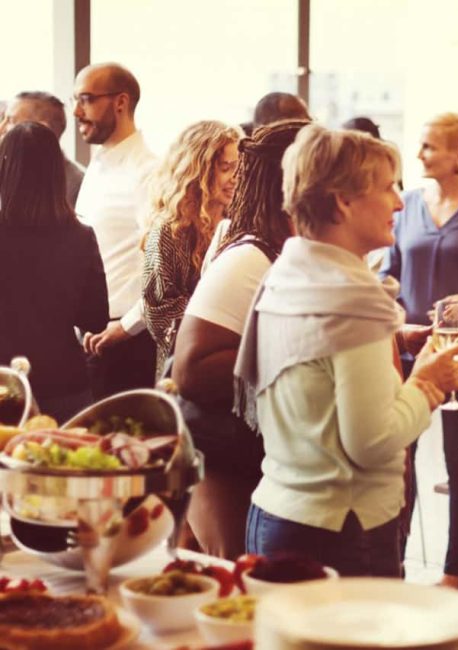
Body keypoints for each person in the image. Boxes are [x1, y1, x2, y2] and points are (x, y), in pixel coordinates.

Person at [236, 124, 458, 576]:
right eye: (387, 187)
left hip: (276, 512)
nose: (400, 203)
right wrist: (428, 383)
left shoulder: (287, 273)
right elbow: (372, 443)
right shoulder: (352, 298)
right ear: (343, 202)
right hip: (340, 529)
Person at [380, 112, 458, 589]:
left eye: (429, 146)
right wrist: (395, 321)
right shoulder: (406, 205)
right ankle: (391, 564)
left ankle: (456, 573)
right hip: (405, 352)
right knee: (397, 460)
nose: (418, 155)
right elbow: (388, 274)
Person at [172, 119, 309, 559]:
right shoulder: (248, 257)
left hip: (255, 450)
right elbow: (190, 369)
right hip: (224, 452)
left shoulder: (286, 249)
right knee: (238, 572)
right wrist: (300, 354)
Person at [0, 122, 108, 422]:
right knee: (66, 453)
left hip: (4, 384)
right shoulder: (81, 236)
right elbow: (95, 318)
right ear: (57, 172)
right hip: (64, 383)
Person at [73, 62, 157, 398]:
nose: (76, 112)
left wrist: (126, 327)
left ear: (120, 102)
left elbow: (163, 268)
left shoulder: (148, 173)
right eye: (75, 101)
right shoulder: (98, 165)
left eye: (86, 99)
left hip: (126, 344)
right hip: (90, 338)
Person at [141, 120, 241, 377]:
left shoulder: (240, 223)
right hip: (185, 367)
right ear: (198, 172)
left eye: (239, 168)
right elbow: (159, 313)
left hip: (232, 363)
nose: (235, 178)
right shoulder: (168, 231)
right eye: (225, 168)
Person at [0, 91, 85, 208]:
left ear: (41, 130)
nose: (1, 128)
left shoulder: (75, 186)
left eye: (11, 121)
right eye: (3, 119)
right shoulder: (9, 171)